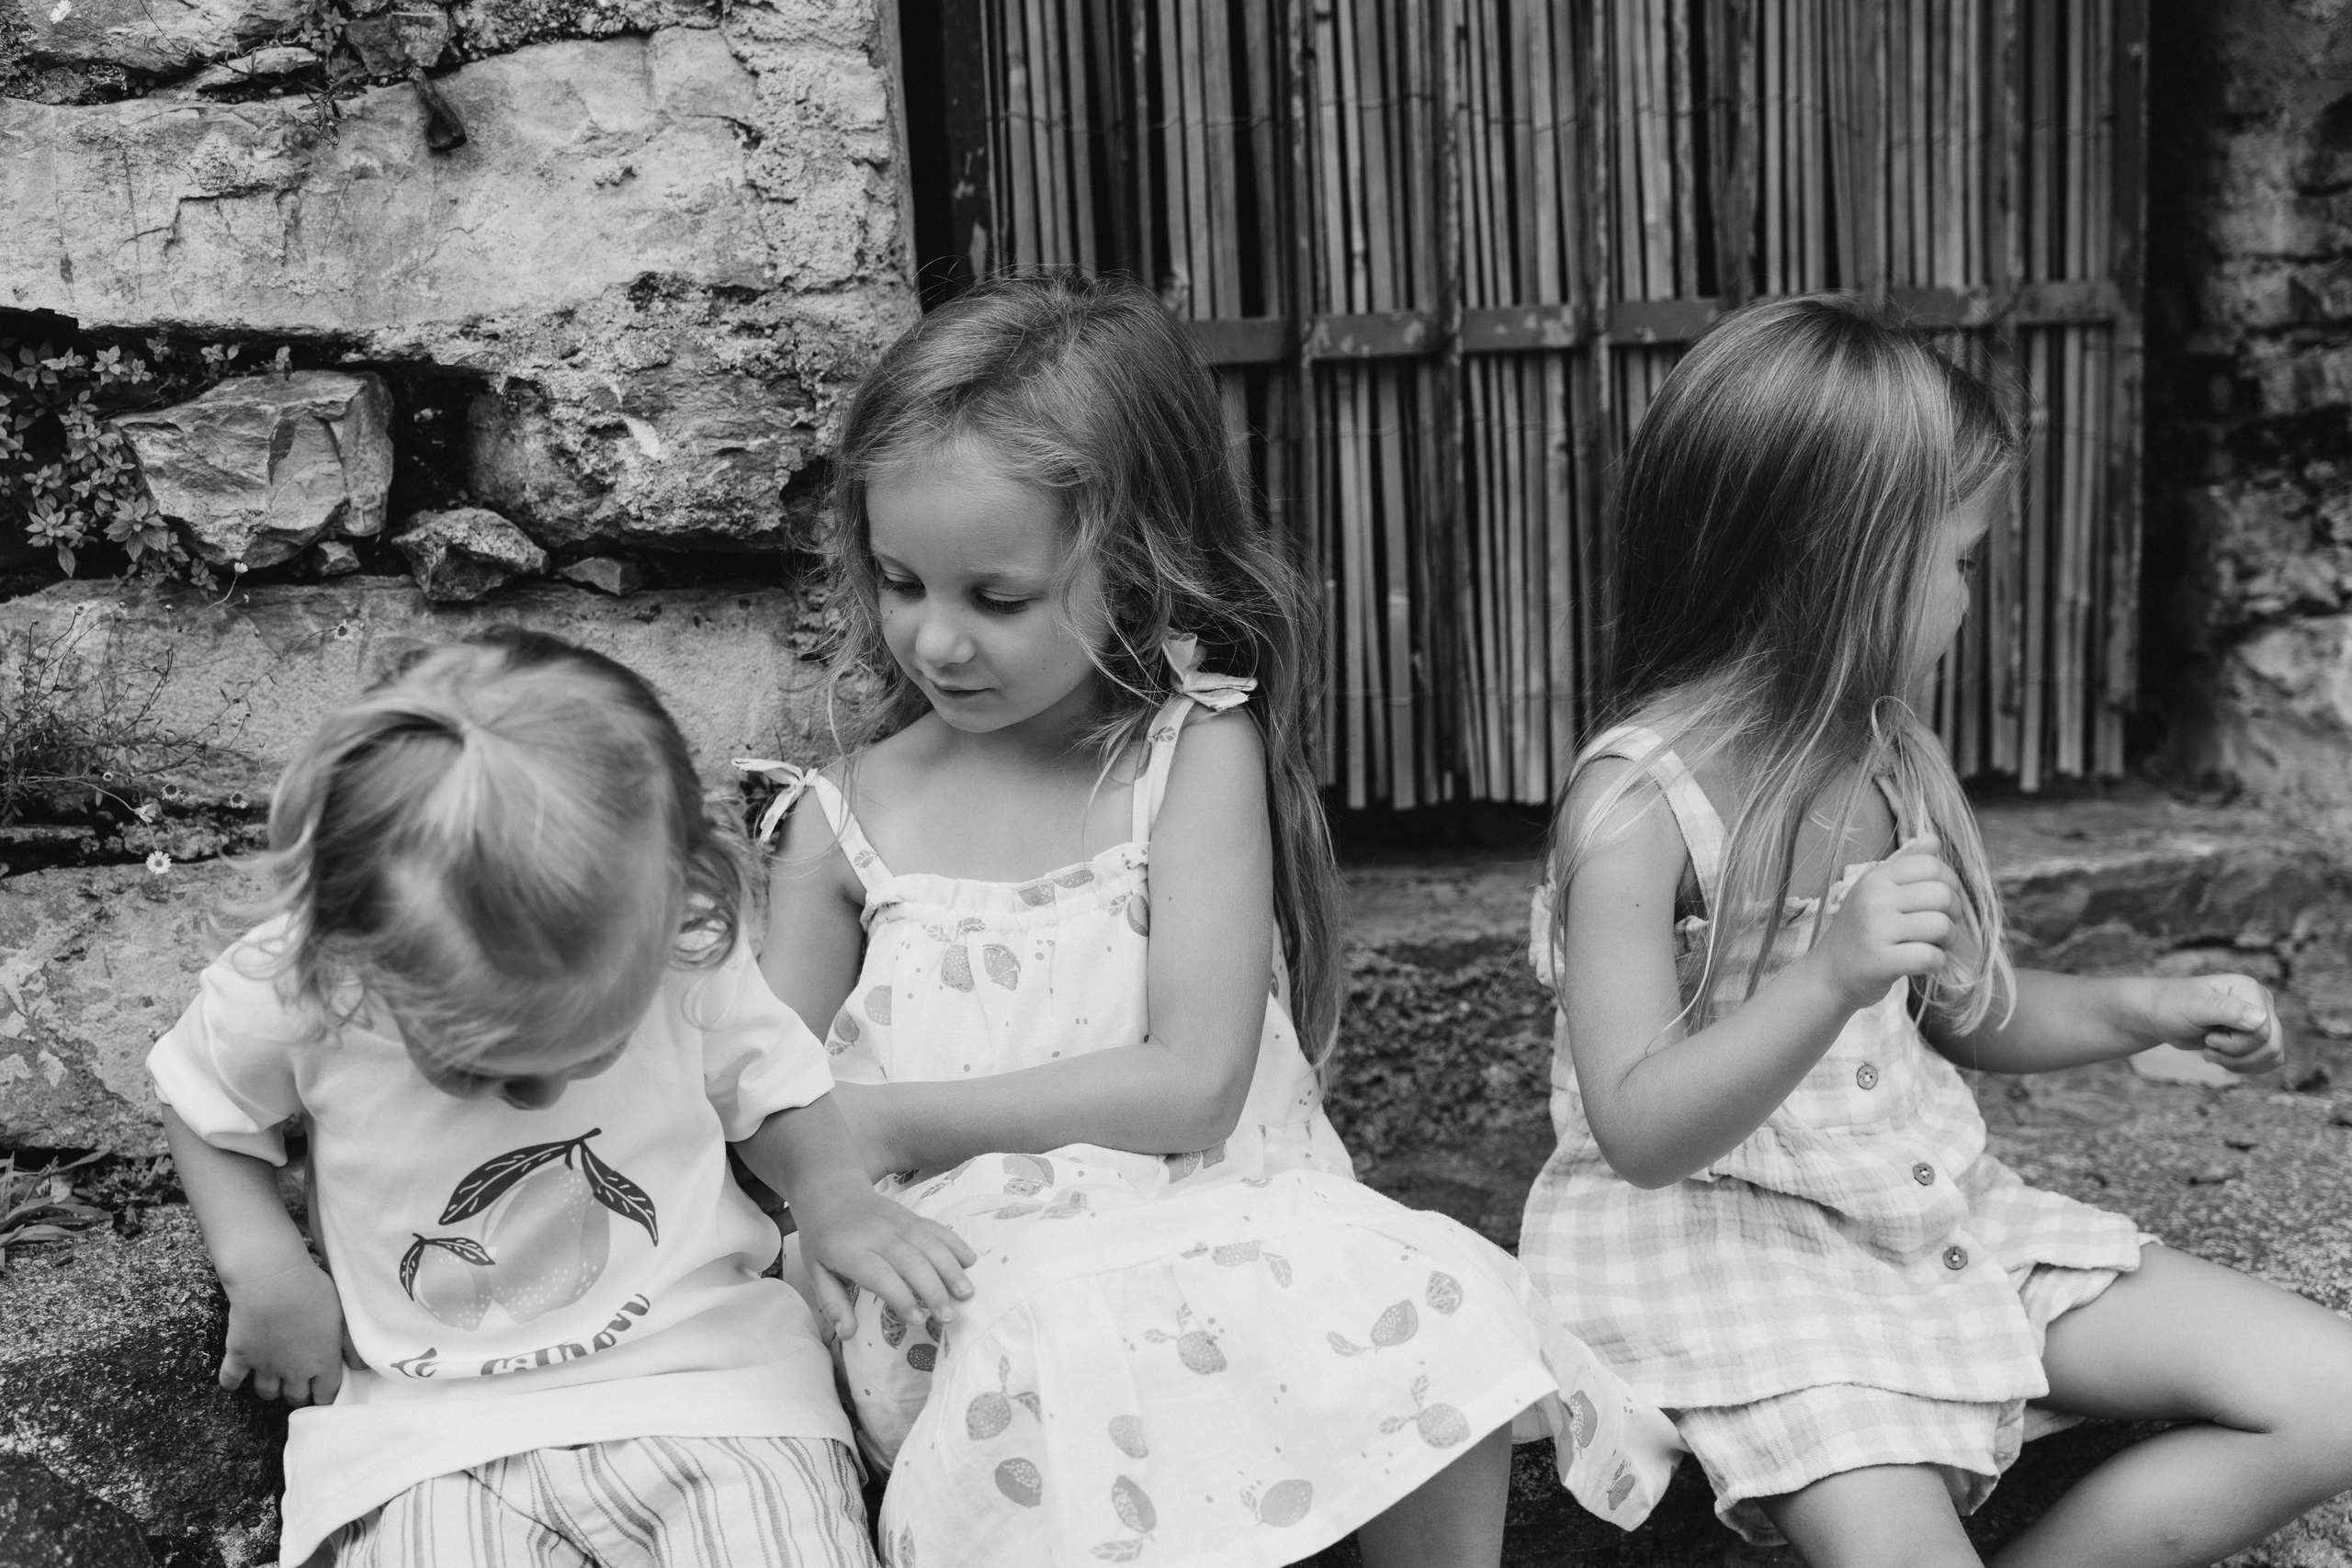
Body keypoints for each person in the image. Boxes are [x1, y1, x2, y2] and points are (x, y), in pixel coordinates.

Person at [746, 269, 1679, 1568]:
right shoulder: (839, 818)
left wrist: (890, 1116)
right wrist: (834, 1173)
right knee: (1065, 1336)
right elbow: (764, 1098)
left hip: (1225, 1212)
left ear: (1131, 566)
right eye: (901, 582)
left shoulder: (1190, 755)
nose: (936, 641)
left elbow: (1193, 1087)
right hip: (963, 1274)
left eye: (994, 597)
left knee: (1432, 1285)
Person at [1521, 293, 2352, 1567]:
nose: (1970, 594)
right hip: (1735, 1256)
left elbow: (1964, 1007)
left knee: (2332, 1389)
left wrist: (2145, 1006)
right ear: (1835, 561)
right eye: (1959, 557)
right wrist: (1824, 973)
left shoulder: (1889, 754)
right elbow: (1638, 1129)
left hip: (1934, 1216)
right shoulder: (1638, 802)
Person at [150, 629, 976, 1568]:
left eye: (590, 1051)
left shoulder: (676, 944)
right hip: (431, 1435)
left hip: (714, 1390)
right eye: (476, 1069)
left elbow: (773, 1084)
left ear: (684, 900)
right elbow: (204, 1102)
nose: (539, 1095)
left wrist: (831, 1196)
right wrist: (262, 1262)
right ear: (353, 948)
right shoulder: (306, 985)